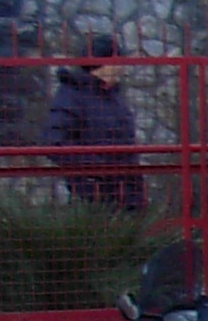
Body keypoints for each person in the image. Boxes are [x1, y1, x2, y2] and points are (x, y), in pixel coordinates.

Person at [44, 34, 144, 212]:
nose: (122, 68)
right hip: (94, 193)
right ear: (103, 64)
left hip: (126, 190)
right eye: (118, 62)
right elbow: (55, 143)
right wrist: (97, 168)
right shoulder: (72, 96)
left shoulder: (112, 96)